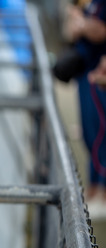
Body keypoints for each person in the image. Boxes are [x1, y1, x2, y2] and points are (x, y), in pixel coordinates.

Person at [64, 0, 106, 207]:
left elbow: (99, 31)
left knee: (100, 134)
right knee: (91, 134)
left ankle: (101, 190)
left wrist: (80, 23)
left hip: (99, 73)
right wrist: (79, 23)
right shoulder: (89, 4)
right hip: (87, 73)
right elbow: (71, 32)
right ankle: (94, 187)